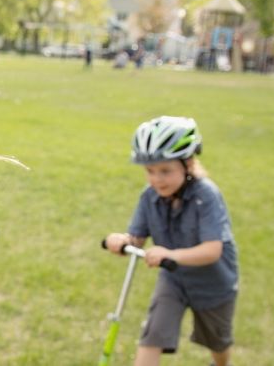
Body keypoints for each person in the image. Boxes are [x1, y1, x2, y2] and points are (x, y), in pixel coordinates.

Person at [103, 116, 239, 366]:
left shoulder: (206, 195)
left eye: (165, 171)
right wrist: (123, 241)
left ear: (187, 164)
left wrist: (171, 255)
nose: (157, 179)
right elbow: (137, 239)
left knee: (217, 343)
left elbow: (213, 250)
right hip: (173, 279)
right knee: (152, 335)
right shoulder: (149, 197)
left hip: (213, 283)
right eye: (150, 171)